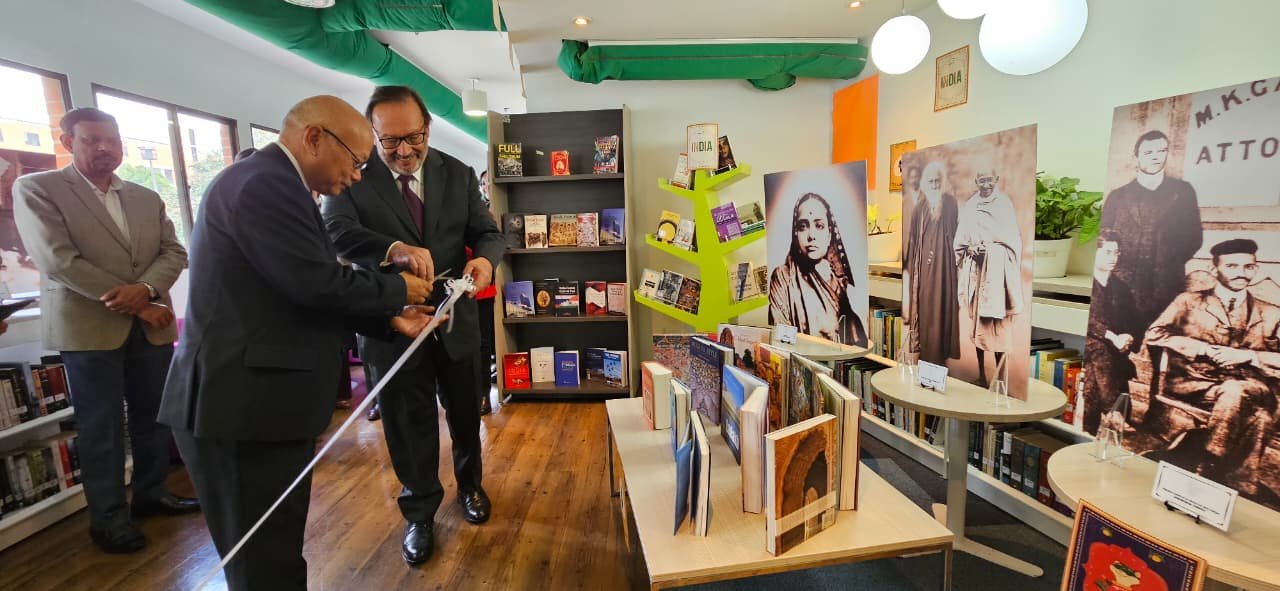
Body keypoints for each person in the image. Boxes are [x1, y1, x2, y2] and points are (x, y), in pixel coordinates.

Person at [157, 95, 434, 590]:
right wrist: (398, 288)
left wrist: (391, 321)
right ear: (313, 138)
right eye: (356, 161)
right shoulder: (263, 184)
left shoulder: (280, 184)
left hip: (260, 405)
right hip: (238, 407)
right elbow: (315, 282)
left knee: (278, 551)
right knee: (262, 562)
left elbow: (297, 296)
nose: (356, 177)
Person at [321, 85, 504, 567]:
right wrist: (391, 250)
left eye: (414, 137)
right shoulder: (352, 174)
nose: (404, 151)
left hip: (456, 319)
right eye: (390, 141)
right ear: (372, 135)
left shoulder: (458, 172)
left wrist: (485, 262)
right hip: (390, 322)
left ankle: (470, 487)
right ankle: (419, 511)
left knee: (466, 414)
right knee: (407, 421)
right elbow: (335, 231)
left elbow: (487, 232)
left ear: (428, 128)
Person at [12, 107, 198, 554]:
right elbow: (59, 261)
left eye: (112, 140)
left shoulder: (145, 197)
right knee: (102, 427)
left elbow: (174, 251)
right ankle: (109, 518)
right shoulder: (38, 189)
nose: (104, 148)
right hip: (90, 328)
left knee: (155, 417)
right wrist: (139, 303)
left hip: (150, 325)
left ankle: (152, 493)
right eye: (91, 140)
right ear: (67, 143)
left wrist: (148, 288)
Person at [1144, 238, 1280, 494]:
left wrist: (1248, 356)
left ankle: (1207, 461)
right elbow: (1154, 334)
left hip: (1252, 386)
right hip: (1195, 384)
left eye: (1248, 267)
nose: (1241, 273)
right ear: (1214, 267)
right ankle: (1242, 483)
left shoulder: (1272, 312)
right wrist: (1201, 348)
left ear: (1256, 268)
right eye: (1232, 266)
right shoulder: (1188, 301)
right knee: (1259, 416)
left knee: (1236, 392)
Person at [1099, 130, 1201, 332]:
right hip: (1124, 283)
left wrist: (1166, 262)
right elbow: (1103, 236)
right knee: (1123, 341)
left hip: (1166, 284)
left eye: (1162, 150)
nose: (1156, 156)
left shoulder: (1183, 191)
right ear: (1136, 157)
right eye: (1148, 152)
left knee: (1162, 340)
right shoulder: (1118, 196)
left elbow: (1194, 238)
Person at [768, 192, 868, 347]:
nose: (811, 235)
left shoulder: (842, 286)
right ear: (796, 234)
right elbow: (780, 338)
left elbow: (857, 343)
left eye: (819, 226)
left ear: (829, 234)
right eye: (803, 227)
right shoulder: (783, 277)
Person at [954, 165, 1023, 387]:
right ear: (976, 181)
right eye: (981, 180)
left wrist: (992, 252)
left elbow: (1013, 243)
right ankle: (983, 376)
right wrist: (971, 250)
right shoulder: (970, 206)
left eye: (989, 180)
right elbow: (960, 242)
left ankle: (1001, 380)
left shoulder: (1004, 205)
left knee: (999, 329)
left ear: (996, 179)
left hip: (998, 278)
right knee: (978, 327)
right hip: (977, 274)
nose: (985, 184)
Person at [1081, 230, 1140, 434]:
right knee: (1099, 350)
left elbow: (1134, 319)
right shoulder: (1085, 283)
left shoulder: (1121, 288)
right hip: (1087, 343)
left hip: (1110, 353)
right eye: (1107, 252)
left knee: (1091, 384)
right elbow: (1087, 320)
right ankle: (1114, 412)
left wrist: (1129, 337)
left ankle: (1089, 430)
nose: (1113, 258)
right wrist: (1112, 337)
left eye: (1116, 253)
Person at [903, 161, 960, 366]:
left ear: (942, 182)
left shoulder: (951, 203)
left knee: (945, 305)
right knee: (927, 307)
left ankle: (942, 351)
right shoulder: (919, 207)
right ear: (925, 184)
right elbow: (913, 241)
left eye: (938, 180)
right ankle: (928, 351)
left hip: (946, 268)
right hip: (926, 269)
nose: (935, 184)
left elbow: (957, 232)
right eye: (931, 181)